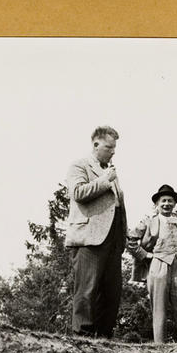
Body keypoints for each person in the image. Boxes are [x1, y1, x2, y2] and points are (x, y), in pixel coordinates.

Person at [64, 126, 128, 337]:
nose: (113, 151)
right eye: (109, 147)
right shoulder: (79, 165)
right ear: (96, 144)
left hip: (113, 239)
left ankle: (103, 339)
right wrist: (104, 180)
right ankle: (82, 338)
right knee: (86, 291)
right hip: (88, 239)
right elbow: (78, 192)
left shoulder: (109, 170)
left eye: (114, 147)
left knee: (112, 293)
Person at [128, 184, 177, 343]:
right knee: (159, 307)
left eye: (170, 201)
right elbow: (130, 240)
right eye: (163, 201)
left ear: (174, 204)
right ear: (156, 204)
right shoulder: (149, 222)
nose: (167, 204)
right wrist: (146, 255)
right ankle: (159, 346)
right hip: (158, 266)